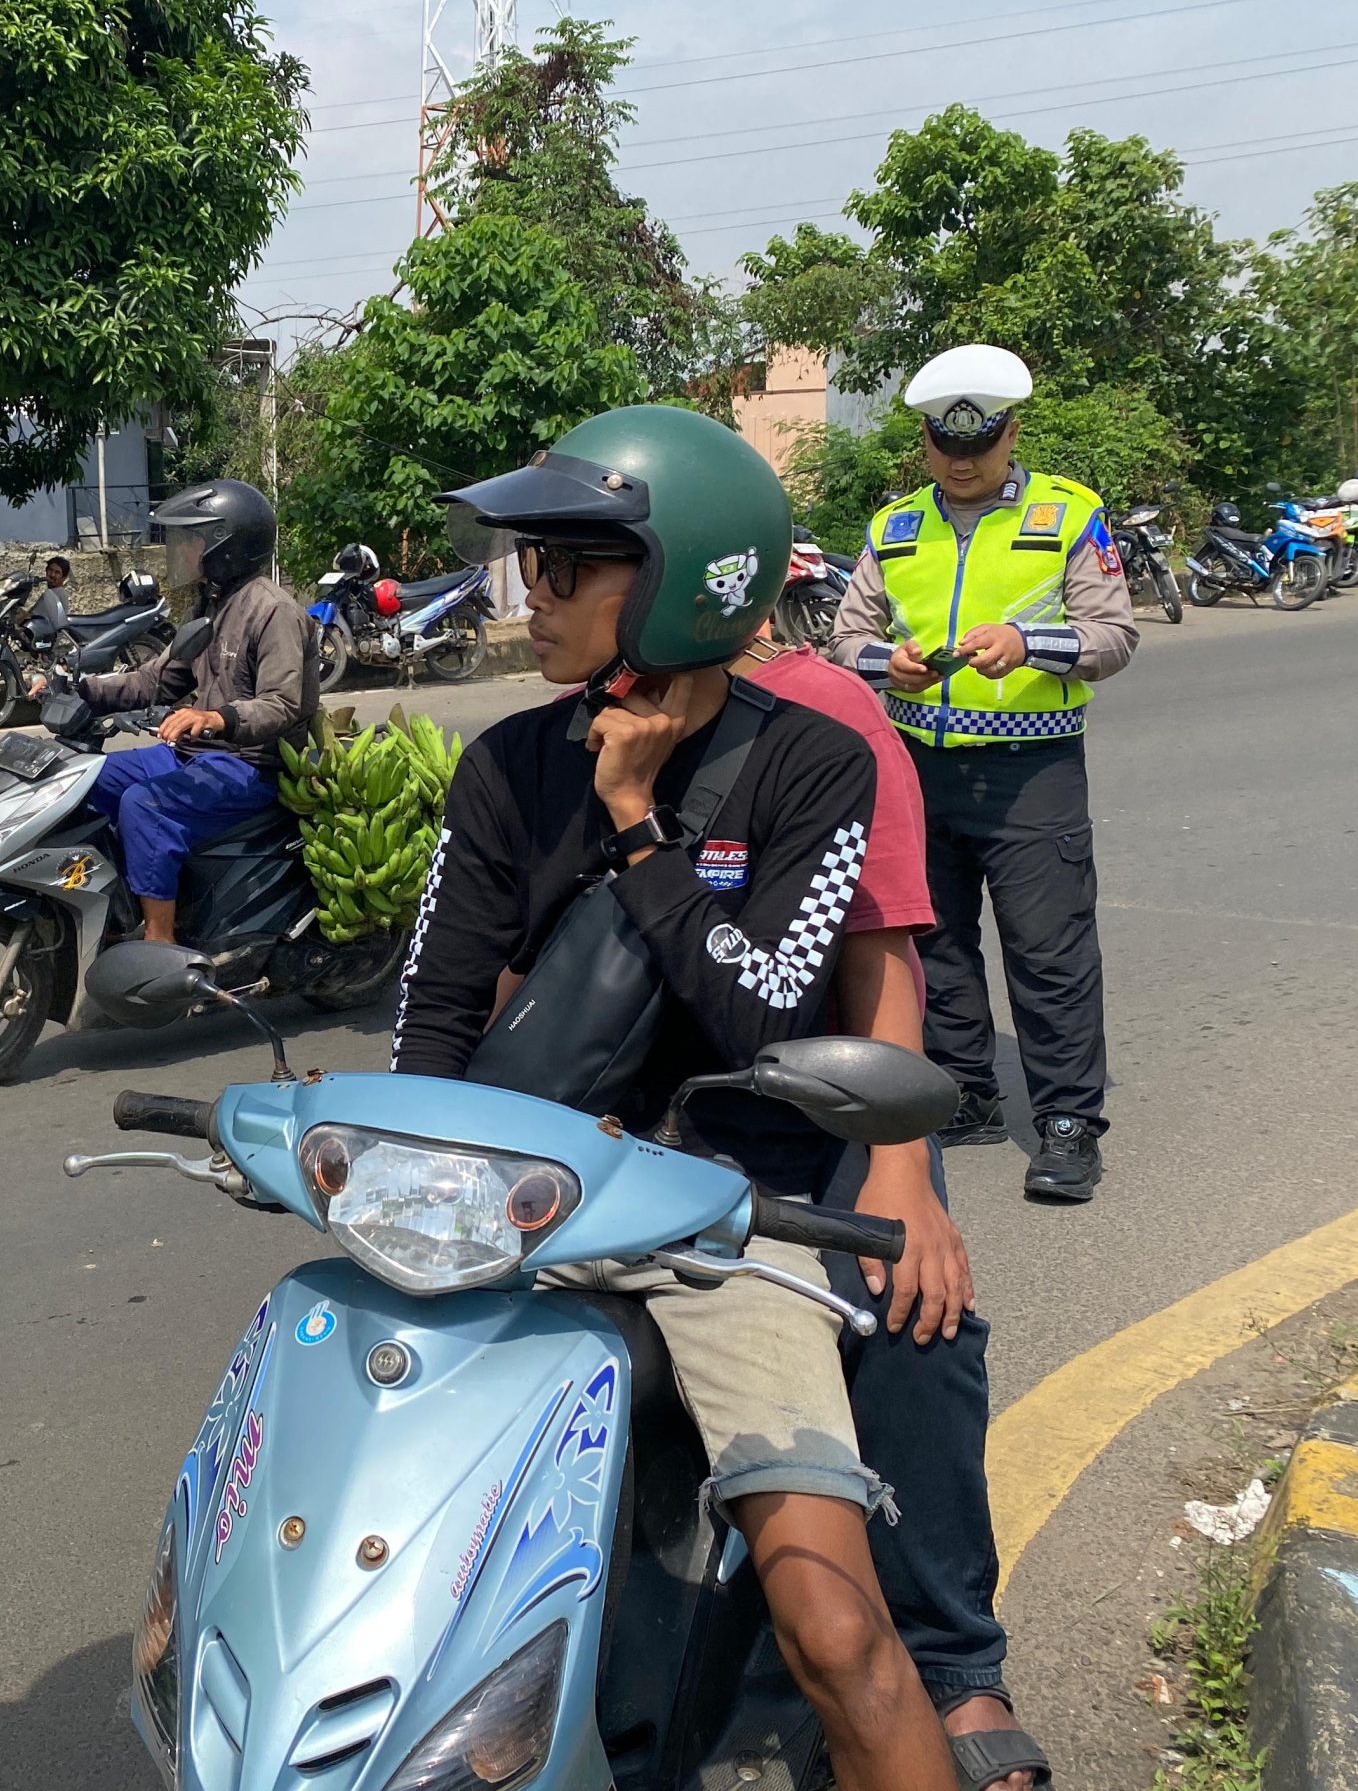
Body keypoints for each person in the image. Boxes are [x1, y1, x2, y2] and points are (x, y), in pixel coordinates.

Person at [393, 404, 956, 1791]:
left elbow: (760, 1005)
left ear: (684, 579)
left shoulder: (810, 764)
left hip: (726, 1222)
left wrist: (644, 826)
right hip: (519, 1213)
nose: (533, 599)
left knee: (836, 1633)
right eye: (532, 565)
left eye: (568, 570)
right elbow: (435, 1016)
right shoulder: (509, 766)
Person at [735, 616, 1047, 1791]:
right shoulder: (558, 739)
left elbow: (882, 947)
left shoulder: (828, 714)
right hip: (636, 1119)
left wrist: (903, 1170)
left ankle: (952, 1660)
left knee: (911, 1312)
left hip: (812, 1099)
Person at [830, 344, 1137, 1202]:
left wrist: (1026, 643)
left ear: (1011, 432)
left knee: (1050, 951)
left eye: (982, 441)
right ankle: (966, 1090)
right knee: (936, 942)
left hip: (1031, 768)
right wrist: (887, 663)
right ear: (926, 442)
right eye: (945, 443)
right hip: (916, 765)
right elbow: (843, 639)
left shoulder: (1068, 516)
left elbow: (1114, 636)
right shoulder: (894, 529)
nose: (962, 460)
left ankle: (1069, 1122)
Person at [38, 481, 314, 947]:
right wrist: (81, 689)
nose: (183, 551)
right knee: (80, 778)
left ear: (227, 547)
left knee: (144, 805)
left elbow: (281, 703)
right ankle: (123, 903)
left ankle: (160, 942)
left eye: (193, 541)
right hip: (194, 755)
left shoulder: (274, 612)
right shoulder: (208, 604)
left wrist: (214, 718)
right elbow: (157, 679)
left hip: (248, 766)